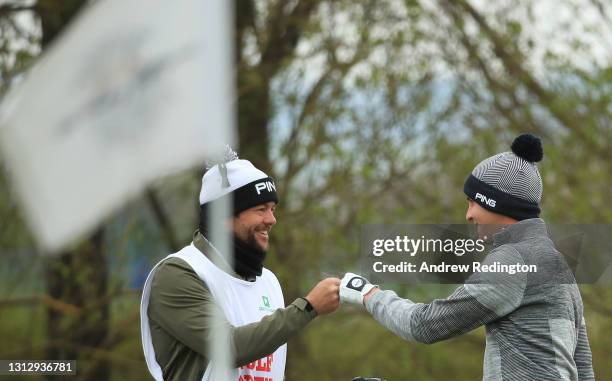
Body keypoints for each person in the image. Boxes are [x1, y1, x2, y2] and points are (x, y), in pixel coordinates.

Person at [340, 134, 594, 380]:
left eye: (473, 203)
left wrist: (368, 294)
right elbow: (582, 368)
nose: (468, 215)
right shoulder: (558, 263)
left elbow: (425, 325)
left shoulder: (512, 262)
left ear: (496, 204)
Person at [140, 148, 340, 381]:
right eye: (260, 209)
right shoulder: (177, 273)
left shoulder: (269, 281)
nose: (271, 220)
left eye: (273, 209)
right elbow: (228, 349)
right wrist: (308, 307)